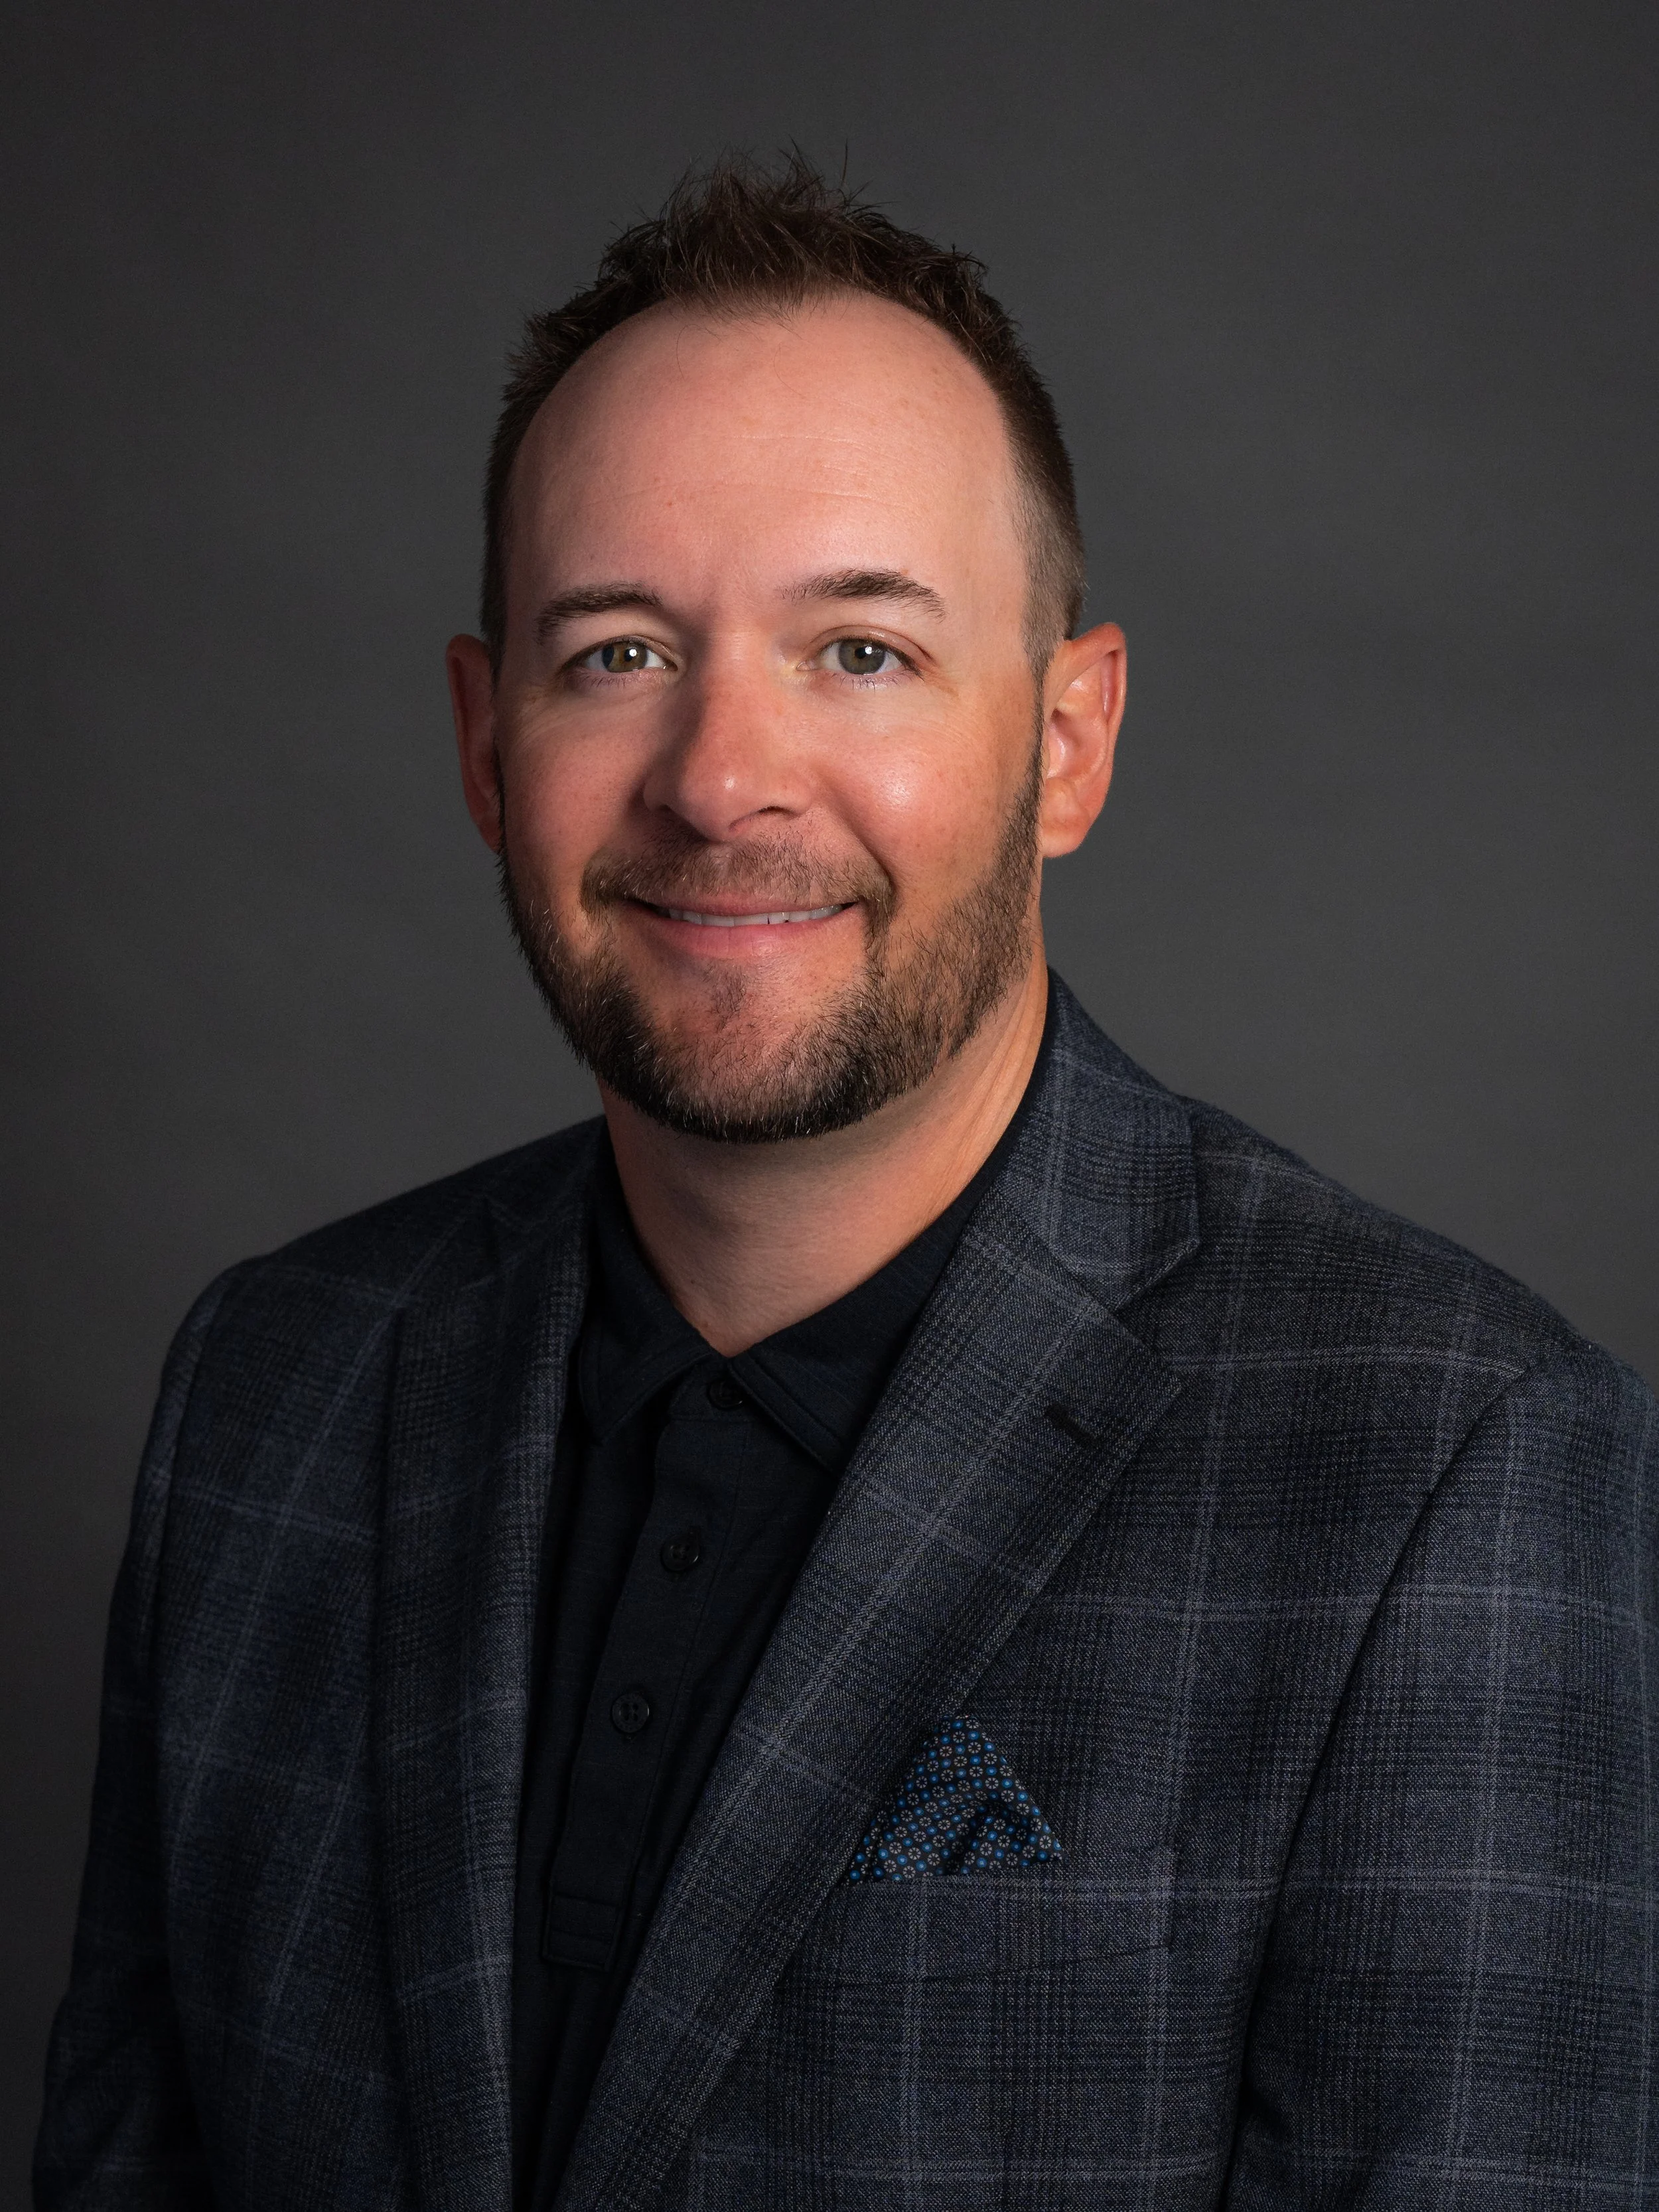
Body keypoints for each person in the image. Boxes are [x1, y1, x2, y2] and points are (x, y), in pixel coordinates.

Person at [36, 156, 1656, 2212]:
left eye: (862, 653)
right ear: (480, 742)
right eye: (617, 651)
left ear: (1065, 741)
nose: (720, 778)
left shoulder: (1451, 1463)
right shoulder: (273, 1382)